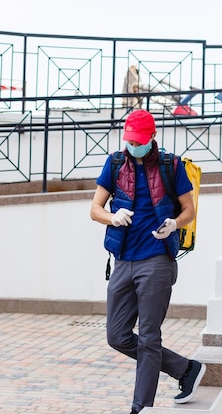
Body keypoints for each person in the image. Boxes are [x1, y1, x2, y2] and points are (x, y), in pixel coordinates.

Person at [90, 109, 206, 413]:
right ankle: (186, 369)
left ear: (152, 137)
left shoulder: (171, 165)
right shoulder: (115, 163)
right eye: (129, 140)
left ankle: (141, 408)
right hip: (123, 260)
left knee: (149, 338)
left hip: (156, 260)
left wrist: (174, 224)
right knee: (117, 336)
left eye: (139, 141)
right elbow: (94, 209)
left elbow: (189, 210)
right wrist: (113, 217)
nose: (133, 146)